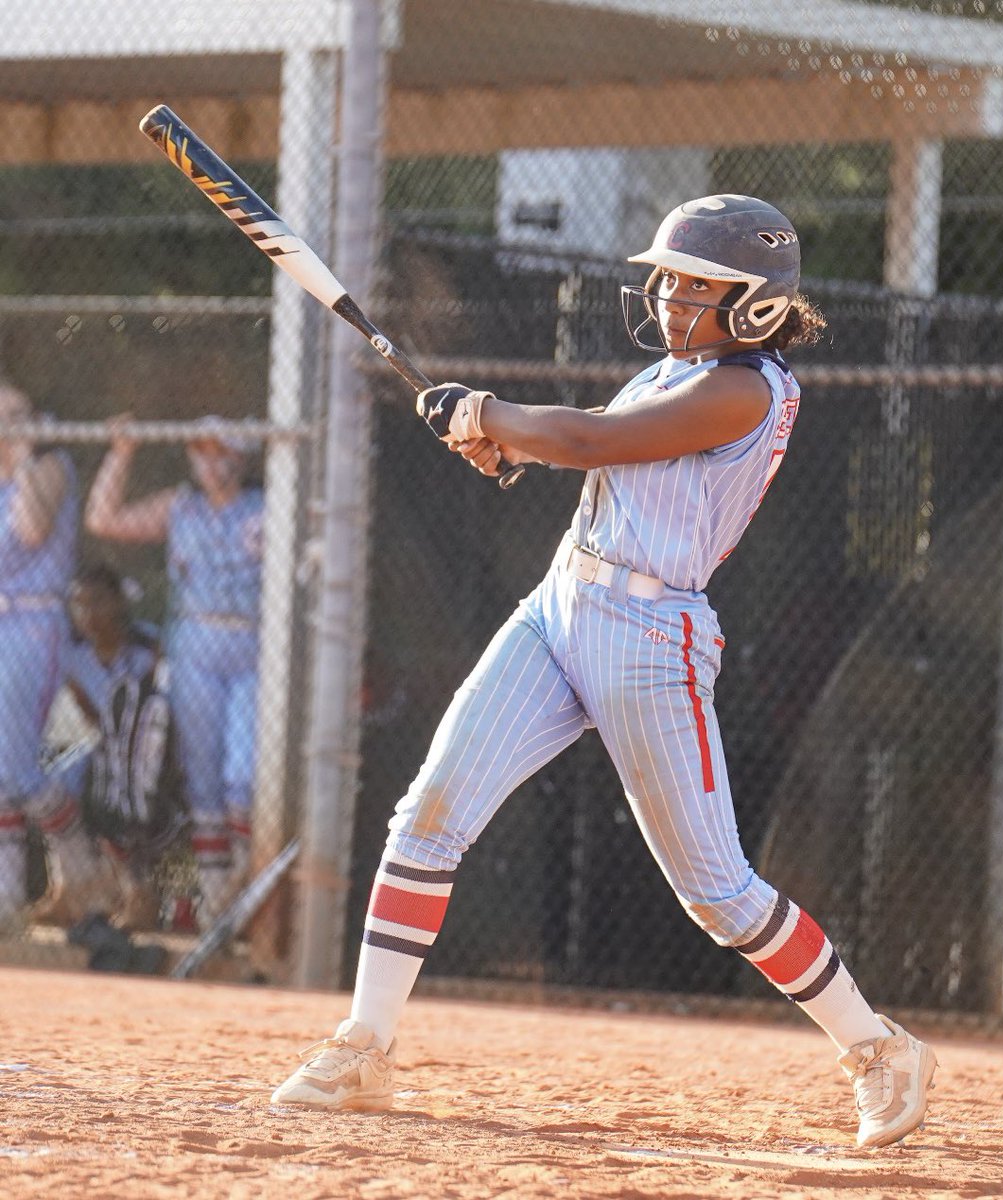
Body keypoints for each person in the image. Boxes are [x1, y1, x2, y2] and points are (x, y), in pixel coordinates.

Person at [270, 195, 937, 1149]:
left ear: (753, 303)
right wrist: (500, 441)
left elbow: (590, 440)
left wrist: (489, 412)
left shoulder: (748, 390)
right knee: (428, 813)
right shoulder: (671, 371)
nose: (667, 296)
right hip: (560, 604)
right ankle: (364, 1047)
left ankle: (877, 1048)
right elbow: (592, 458)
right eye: (665, 278)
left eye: (694, 285)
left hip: (651, 636)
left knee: (719, 893)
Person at [85, 415, 263, 930]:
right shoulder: (182, 506)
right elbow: (103, 519)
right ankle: (217, 908)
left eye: (219, 451)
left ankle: (248, 893)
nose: (208, 462)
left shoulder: (265, 507)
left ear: (241, 457)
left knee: (242, 779)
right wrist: (121, 453)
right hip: (194, 647)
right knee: (203, 784)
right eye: (199, 451)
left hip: (253, 644)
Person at [31, 563, 181, 930]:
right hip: (103, 745)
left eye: (97, 601)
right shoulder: (74, 654)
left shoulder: (148, 645)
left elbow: (162, 710)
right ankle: (71, 888)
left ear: (118, 602)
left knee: (118, 790)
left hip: (151, 753)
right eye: (79, 604)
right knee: (55, 784)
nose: (88, 613)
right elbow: (92, 717)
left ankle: (138, 894)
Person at [0, 380, 78, 931]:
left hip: (33, 623)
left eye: (19, 413)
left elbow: (30, 530)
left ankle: (82, 868)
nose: (11, 423)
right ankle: (6, 900)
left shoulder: (49, 467)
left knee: (16, 765)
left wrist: (24, 454)